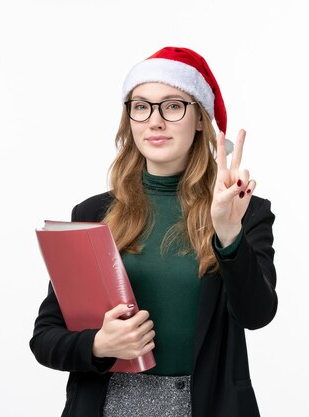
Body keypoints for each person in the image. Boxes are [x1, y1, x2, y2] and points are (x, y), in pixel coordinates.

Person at [30, 46, 278, 417]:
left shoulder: (245, 210)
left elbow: (257, 315)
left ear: (199, 119)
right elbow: (45, 338)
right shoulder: (93, 213)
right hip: (108, 404)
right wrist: (98, 344)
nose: (155, 121)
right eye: (141, 106)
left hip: (203, 405)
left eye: (173, 105)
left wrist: (228, 234)